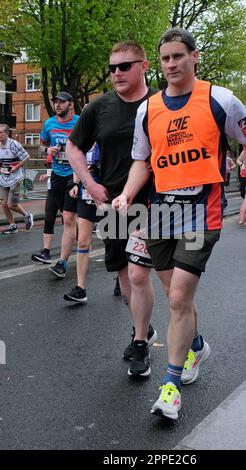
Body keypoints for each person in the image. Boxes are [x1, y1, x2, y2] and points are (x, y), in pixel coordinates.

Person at [113, 27, 246, 419]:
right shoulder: (149, 108)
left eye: (178, 56)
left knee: (178, 297)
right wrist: (128, 194)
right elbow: (142, 160)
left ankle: (171, 388)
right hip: (161, 213)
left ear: (195, 57)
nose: (171, 64)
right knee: (174, 294)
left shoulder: (220, 100)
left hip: (203, 211)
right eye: (165, 59)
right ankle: (196, 344)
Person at [66, 41, 158, 376]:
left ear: (144, 66)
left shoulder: (160, 103)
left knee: (141, 273)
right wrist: (90, 184)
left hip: (156, 202)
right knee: (125, 272)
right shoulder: (99, 107)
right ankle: (142, 333)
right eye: (112, 68)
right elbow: (73, 147)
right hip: (115, 204)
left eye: (124, 66)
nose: (116, 73)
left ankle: (143, 341)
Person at [31, 92, 79, 277]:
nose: (57, 105)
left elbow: (91, 146)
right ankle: (46, 251)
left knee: (68, 219)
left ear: (71, 104)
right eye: (55, 102)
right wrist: (47, 150)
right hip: (56, 175)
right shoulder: (49, 123)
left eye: (61, 102)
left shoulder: (79, 122)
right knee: (50, 213)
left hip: (74, 176)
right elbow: (41, 146)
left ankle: (62, 263)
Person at [64, 143, 101, 303]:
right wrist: (75, 184)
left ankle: (120, 280)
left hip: (106, 195)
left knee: (115, 242)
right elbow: (77, 164)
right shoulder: (81, 142)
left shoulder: (106, 138)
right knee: (83, 242)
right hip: (85, 197)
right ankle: (80, 288)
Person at [0, 124, 33, 234]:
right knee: (4, 204)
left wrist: (16, 167)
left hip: (15, 178)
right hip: (3, 178)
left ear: (7, 133)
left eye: (1, 133)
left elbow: (26, 157)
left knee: (11, 205)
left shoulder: (14, 144)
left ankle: (27, 215)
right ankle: (13, 226)